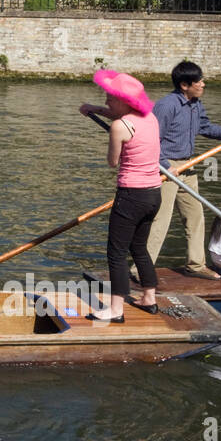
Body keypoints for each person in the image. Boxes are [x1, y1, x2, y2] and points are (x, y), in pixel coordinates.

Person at [145, 61, 221, 279]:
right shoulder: (167, 105)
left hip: (188, 167)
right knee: (160, 221)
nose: (203, 84)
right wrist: (166, 167)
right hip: (165, 168)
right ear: (185, 84)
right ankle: (141, 268)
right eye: (199, 81)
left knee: (195, 217)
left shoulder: (195, 104)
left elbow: (206, 127)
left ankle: (195, 265)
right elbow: (150, 141)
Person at [79, 69, 161, 323]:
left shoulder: (119, 126)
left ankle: (115, 310)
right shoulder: (150, 118)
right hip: (153, 194)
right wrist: (94, 109)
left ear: (125, 101)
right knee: (139, 247)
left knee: (116, 252)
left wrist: (116, 138)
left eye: (110, 98)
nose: (106, 101)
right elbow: (121, 116)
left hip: (130, 196)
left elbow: (113, 162)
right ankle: (149, 298)